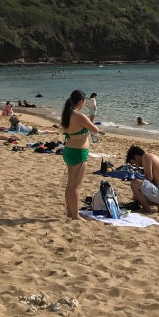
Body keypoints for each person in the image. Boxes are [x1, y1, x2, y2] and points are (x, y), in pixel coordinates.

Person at [61, 90, 101, 221]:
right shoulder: (80, 116)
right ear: (81, 102)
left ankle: (70, 211)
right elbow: (96, 129)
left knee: (70, 184)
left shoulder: (66, 114)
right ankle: (76, 214)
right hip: (79, 152)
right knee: (76, 186)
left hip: (68, 150)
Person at [126, 145, 159, 213]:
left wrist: (139, 181)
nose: (136, 165)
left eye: (134, 163)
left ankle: (147, 209)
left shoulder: (146, 156)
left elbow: (149, 178)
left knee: (134, 183)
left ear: (136, 157)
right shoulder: (152, 156)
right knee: (136, 198)